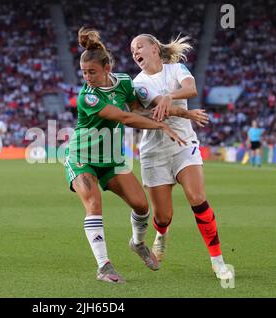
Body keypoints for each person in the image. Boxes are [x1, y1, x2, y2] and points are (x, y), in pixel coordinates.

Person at [63, 27, 200, 284]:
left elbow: (141, 113)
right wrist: (161, 126)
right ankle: (104, 266)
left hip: (111, 159)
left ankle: (137, 243)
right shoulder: (87, 97)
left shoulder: (125, 82)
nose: (87, 78)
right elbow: (126, 118)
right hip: (82, 157)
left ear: (107, 68)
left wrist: (183, 114)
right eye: (83, 73)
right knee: (93, 204)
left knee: (142, 206)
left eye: (92, 72)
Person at [130, 33, 233, 280]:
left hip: (184, 145)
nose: (135, 52)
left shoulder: (176, 68)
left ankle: (218, 261)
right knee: (163, 216)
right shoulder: (137, 83)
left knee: (197, 198)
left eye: (139, 46)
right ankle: (161, 234)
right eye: (132, 50)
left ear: (154, 48)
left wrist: (170, 96)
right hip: (154, 153)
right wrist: (180, 112)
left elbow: (191, 89)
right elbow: (144, 115)